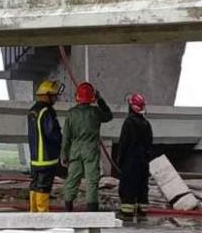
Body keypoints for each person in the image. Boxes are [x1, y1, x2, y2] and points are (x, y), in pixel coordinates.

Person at [61, 81, 113, 212]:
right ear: (92, 97)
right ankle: (92, 211)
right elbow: (109, 115)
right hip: (91, 150)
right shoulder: (96, 112)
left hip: (75, 150)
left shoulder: (71, 113)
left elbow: (66, 137)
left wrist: (64, 155)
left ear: (77, 96)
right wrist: (100, 100)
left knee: (72, 179)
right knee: (91, 181)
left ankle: (68, 208)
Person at [117, 92, 154, 224]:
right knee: (142, 187)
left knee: (128, 187)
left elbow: (123, 143)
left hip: (130, 162)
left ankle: (126, 213)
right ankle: (142, 212)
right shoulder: (147, 124)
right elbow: (150, 144)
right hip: (143, 162)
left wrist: (120, 161)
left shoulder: (128, 123)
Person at [27, 80, 63, 213]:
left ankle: (34, 212)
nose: (56, 98)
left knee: (35, 185)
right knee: (44, 186)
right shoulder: (47, 111)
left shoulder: (33, 110)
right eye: (54, 96)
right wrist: (62, 141)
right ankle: (43, 215)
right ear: (47, 95)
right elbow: (52, 134)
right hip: (47, 157)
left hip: (35, 157)